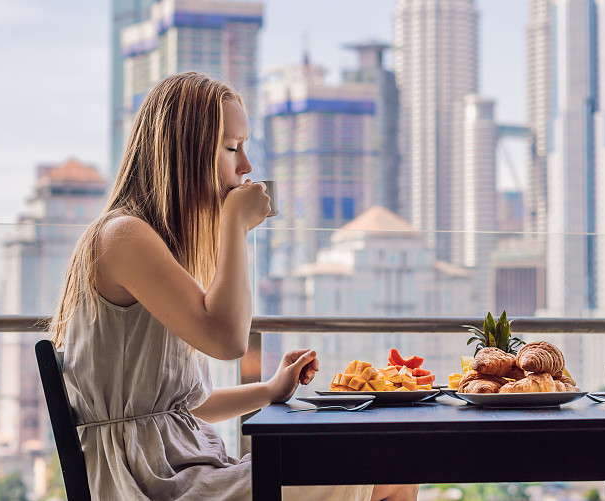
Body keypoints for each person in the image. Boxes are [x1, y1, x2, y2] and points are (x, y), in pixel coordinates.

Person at [48, 71, 418, 501]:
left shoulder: (151, 244)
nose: (246, 166)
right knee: (387, 470)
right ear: (184, 153)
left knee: (386, 467)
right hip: (148, 483)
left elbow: (179, 405)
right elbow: (228, 341)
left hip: (185, 469)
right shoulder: (122, 236)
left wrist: (269, 390)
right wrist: (235, 225)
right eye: (231, 148)